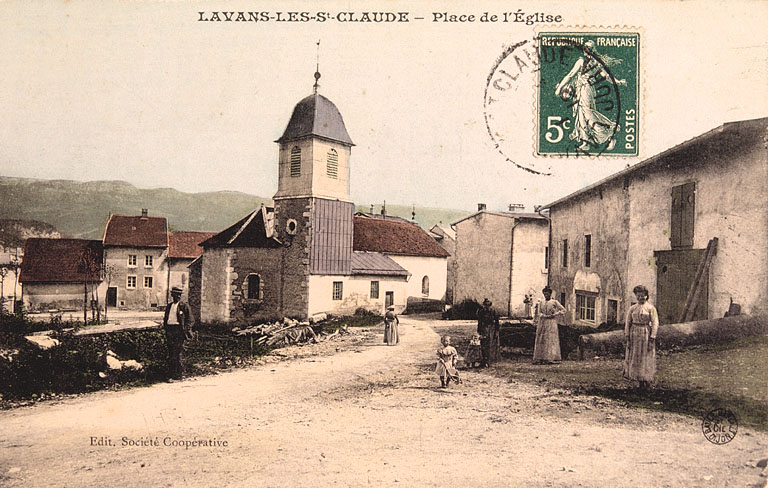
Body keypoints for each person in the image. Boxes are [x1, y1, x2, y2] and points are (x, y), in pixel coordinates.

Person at [554, 39, 626, 151]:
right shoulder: (585, 62)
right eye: (586, 48)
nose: (586, 50)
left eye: (588, 48)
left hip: (586, 89)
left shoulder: (591, 63)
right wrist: (559, 88)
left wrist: (618, 82)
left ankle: (610, 131)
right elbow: (571, 75)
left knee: (587, 113)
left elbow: (606, 76)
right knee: (581, 115)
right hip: (581, 89)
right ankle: (586, 141)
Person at [623, 285, 659, 389]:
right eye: (638, 296)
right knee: (635, 356)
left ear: (646, 296)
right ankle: (638, 380)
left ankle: (646, 380)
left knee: (646, 355)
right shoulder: (632, 308)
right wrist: (627, 336)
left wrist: (652, 337)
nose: (640, 298)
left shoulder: (651, 308)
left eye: (642, 296)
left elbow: (655, 322)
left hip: (645, 334)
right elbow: (627, 323)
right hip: (634, 334)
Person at [163, 286, 193, 380]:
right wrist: (166, 328)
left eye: (179, 295)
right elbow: (166, 318)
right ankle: (171, 374)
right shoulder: (169, 306)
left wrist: (186, 329)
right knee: (171, 353)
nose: (177, 297)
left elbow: (191, 320)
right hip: (170, 331)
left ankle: (179, 374)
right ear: (172, 295)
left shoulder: (184, 306)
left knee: (177, 353)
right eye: (175, 295)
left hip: (179, 331)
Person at [533, 286, 566, 364]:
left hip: (551, 322)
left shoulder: (554, 302)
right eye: (544, 294)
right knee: (542, 338)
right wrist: (543, 315)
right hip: (543, 321)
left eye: (547, 294)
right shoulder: (541, 302)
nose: (546, 295)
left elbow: (563, 310)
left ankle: (550, 357)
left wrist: (555, 314)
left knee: (550, 338)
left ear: (550, 294)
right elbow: (539, 312)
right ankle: (541, 357)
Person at [476, 298, 500, 367]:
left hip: (491, 329)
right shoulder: (481, 312)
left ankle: (489, 361)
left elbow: (497, 322)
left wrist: (497, 331)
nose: (486, 307)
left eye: (488, 306)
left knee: (490, 345)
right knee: (483, 344)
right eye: (485, 306)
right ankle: (483, 360)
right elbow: (479, 322)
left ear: (490, 305)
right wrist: (479, 331)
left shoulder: (493, 311)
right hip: (483, 329)